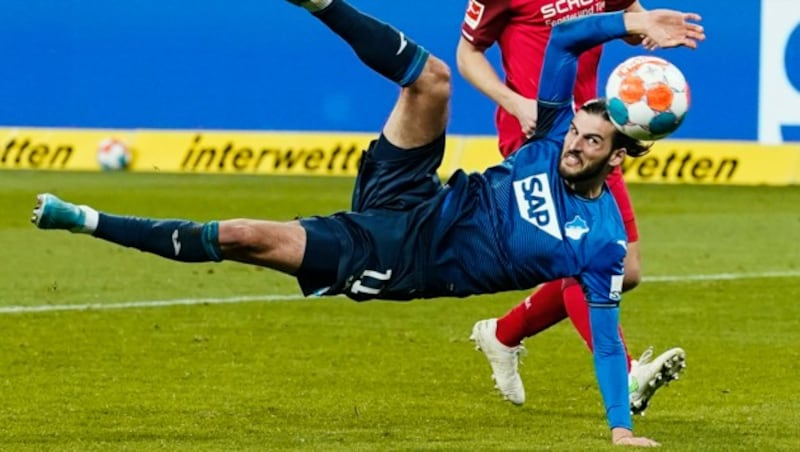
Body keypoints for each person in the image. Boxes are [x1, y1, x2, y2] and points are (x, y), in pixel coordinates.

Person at [31, 0, 703, 445]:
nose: (573, 143)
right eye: (577, 131)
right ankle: (320, 2)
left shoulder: (600, 242)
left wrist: (619, 428)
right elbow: (567, 35)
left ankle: (87, 219)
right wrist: (632, 25)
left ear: (618, 158)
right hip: (414, 192)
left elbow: (609, 343)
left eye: (591, 142)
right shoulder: (553, 125)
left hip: (401, 257)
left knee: (241, 236)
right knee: (432, 79)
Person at [457, 0, 685, 413]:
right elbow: (467, 53)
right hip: (540, 139)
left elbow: (627, 15)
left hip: (594, 135)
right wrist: (513, 102)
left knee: (627, 270)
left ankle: (504, 334)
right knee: (584, 259)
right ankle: (629, 376)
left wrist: (646, 25)